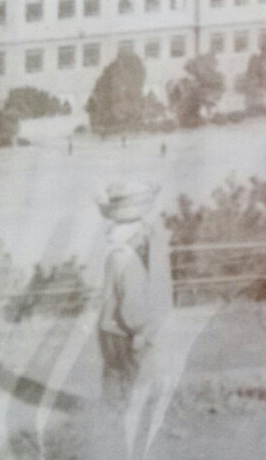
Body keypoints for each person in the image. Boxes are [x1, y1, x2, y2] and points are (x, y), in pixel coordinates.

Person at [96, 180, 174, 459]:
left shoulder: (113, 254)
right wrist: (140, 331)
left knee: (114, 376)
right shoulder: (129, 261)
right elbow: (132, 306)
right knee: (139, 379)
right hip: (126, 331)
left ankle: (111, 432)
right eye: (141, 234)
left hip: (108, 328)